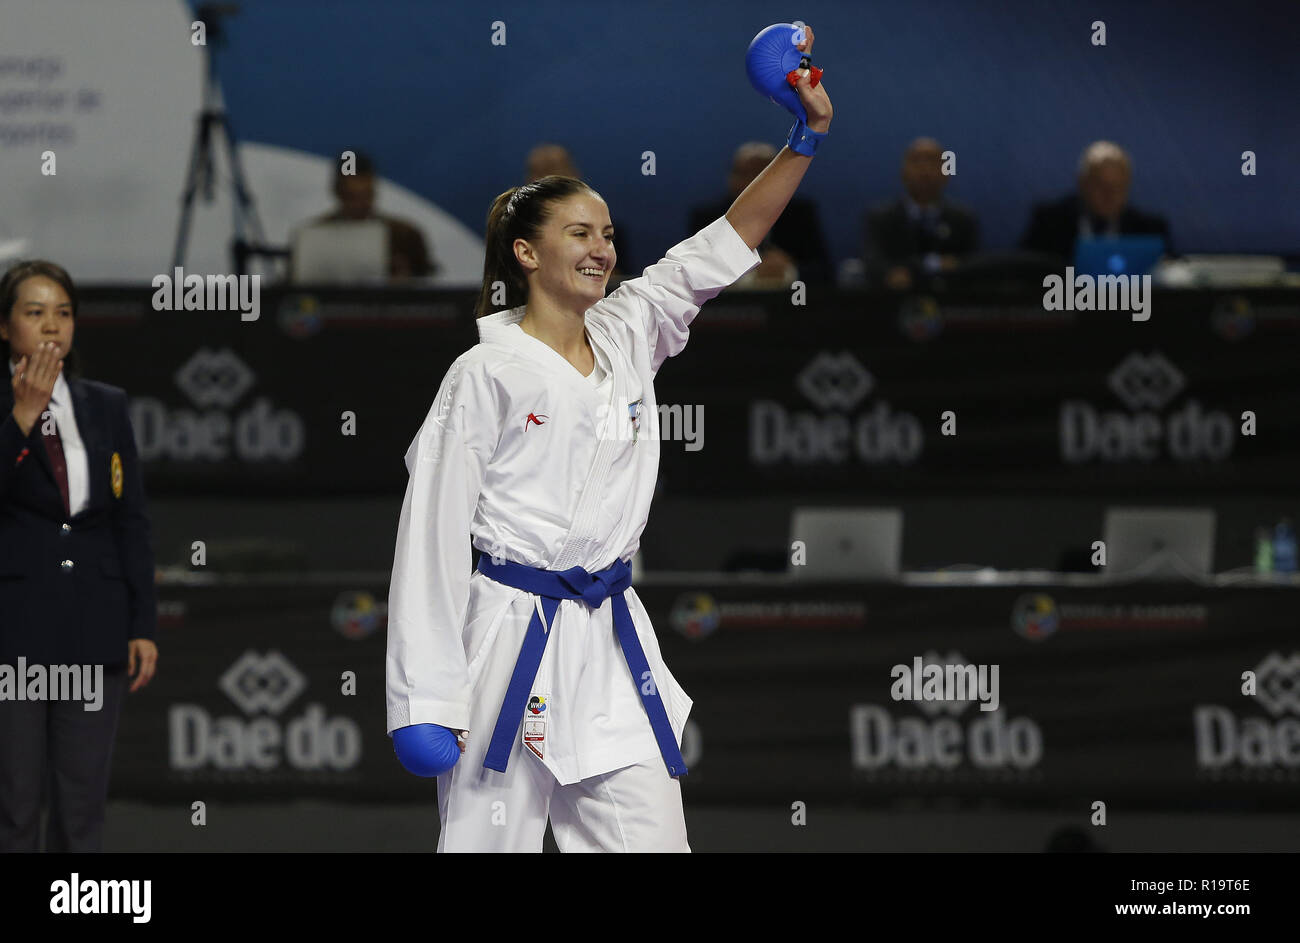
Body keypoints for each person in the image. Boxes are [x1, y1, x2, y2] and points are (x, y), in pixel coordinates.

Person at [385, 28, 833, 852]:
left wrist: (803, 142)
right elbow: (431, 536)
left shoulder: (631, 327)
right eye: (580, 234)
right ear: (526, 253)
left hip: (608, 634)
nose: (604, 248)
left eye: (608, 234)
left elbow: (725, 245)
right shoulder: (484, 375)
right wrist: (421, 698)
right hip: (506, 639)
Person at [0, 260, 158, 852]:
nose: (51, 327)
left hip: (95, 628)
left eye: (62, 313)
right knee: (14, 807)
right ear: (4, 326)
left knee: (82, 807)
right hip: (13, 633)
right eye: (34, 312)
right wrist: (20, 416)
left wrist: (142, 623)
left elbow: (130, 520)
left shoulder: (105, 406)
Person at [689, 141, 833, 285]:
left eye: (760, 174)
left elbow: (825, 273)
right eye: (743, 174)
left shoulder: (799, 214)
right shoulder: (709, 218)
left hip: (791, 303)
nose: (752, 182)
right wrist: (749, 274)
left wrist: (789, 270)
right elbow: (694, 277)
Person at [1019, 140, 1172, 262]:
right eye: (1101, 185)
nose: (1110, 195)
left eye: (1118, 187)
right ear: (1083, 183)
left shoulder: (1149, 230)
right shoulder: (1049, 223)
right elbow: (1026, 272)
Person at [863, 137, 979, 290]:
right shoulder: (880, 219)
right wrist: (890, 275)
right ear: (903, 172)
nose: (925, 169)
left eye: (933, 161)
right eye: (916, 161)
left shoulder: (963, 219)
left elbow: (974, 265)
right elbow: (872, 263)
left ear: (946, 172)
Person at [308, 151, 438, 281]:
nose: (360, 204)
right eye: (352, 197)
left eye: (366, 195)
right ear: (337, 192)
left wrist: (405, 277)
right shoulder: (313, 236)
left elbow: (426, 282)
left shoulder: (405, 235)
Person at [526, 143, 634, 278]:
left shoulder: (613, 234)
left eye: (558, 168)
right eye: (541, 171)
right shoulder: (514, 232)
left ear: (574, 174)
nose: (551, 179)